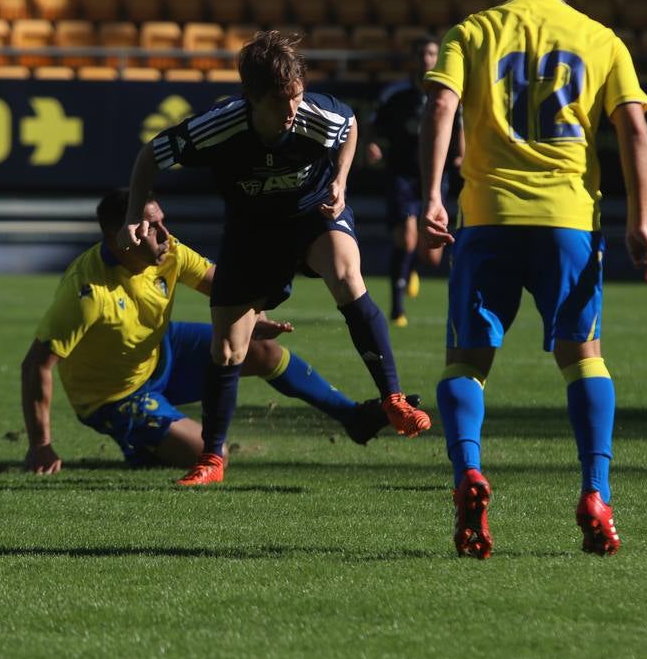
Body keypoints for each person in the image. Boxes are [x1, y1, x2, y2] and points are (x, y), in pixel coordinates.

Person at [418, 0, 647, 559]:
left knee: (467, 362)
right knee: (583, 357)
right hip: (569, 223)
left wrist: (431, 195)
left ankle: (468, 472)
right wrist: (639, 221)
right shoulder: (600, 38)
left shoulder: (474, 30)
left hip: (487, 216)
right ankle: (595, 492)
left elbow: (441, 106)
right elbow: (634, 129)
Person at [120, 30, 431, 486]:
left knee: (347, 273)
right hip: (252, 232)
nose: (292, 111)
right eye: (280, 102)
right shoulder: (219, 127)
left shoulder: (314, 115)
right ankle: (212, 458)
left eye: (297, 97)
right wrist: (135, 211)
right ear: (251, 97)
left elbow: (349, 130)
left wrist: (341, 182)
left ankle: (393, 398)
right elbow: (151, 156)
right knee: (228, 348)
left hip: (312, 216)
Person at [20, 189, 406, 474]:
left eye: (162, 220)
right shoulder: (88, 292)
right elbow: (37, 363)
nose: (165, 233)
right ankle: (140, 446)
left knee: (260, 352)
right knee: (210, 451)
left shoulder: (169, 252)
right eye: (152, 226)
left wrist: (251, 318)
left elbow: (227, 288)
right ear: (123, 236)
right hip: (112, 395)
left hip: (158, 351)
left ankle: (352, 416)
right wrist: (41, 446)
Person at [367, 35, 465, 327]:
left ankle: (410, 269)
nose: (427, 59)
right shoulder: (395, 95)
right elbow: (371, 127)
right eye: (422, 53)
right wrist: (372, 145)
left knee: (432, 256)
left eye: (432, 53)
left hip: (435, 177)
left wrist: (461, 155)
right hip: (402, 175)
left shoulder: (447, 91)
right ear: (414, 58)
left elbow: (459, 125)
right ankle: (397, 310)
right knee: (407, 237)